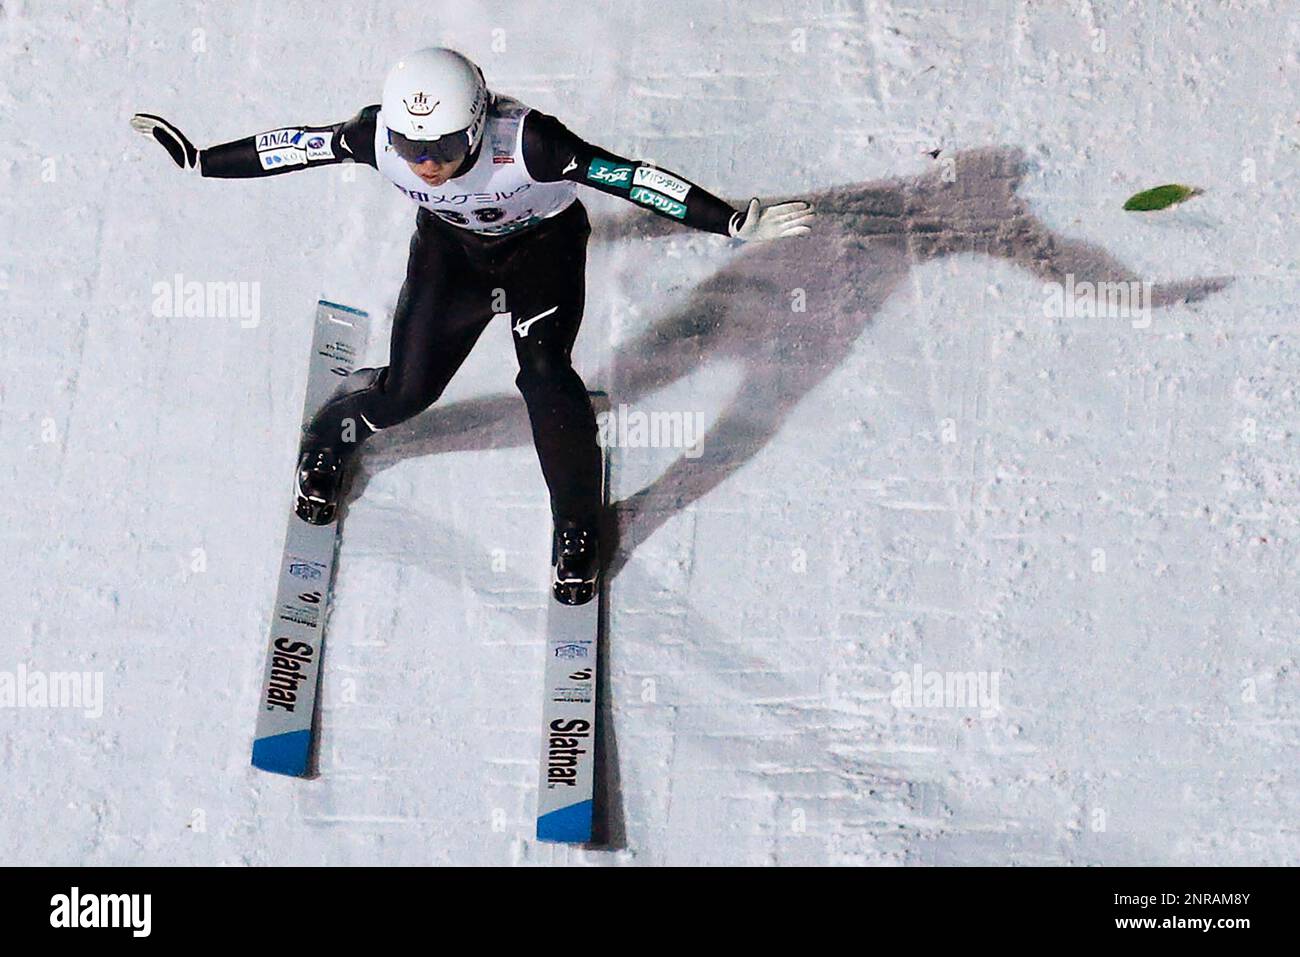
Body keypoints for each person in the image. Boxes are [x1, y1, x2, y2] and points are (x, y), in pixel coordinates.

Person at [132, 47, 814, 604]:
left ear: (480, 123)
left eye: (448, 144)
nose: (427, 162)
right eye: (411, 145)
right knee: (406, 394)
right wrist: (201, 160)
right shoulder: (378, 136)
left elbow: (630, 179)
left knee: (545, 374)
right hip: (451, 259)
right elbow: (296, 147)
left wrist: (724, 218)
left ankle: (575, 526)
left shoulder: (534, 143)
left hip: (542, 253)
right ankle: (336, 427)